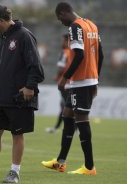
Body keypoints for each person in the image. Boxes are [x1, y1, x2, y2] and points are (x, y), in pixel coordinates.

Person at [0, 4, 44, 183]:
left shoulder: (24, 36)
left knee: (17, 134)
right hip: (1, 96)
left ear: (1, 21)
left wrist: (30, 87)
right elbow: (0, 69)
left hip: (20, 96)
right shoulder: (1, 39)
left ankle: (14, 172)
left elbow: (36, 67)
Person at [41, 2, 103, 175]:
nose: (60, 21)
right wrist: (96, 78)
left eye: (59, 17)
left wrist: (64, 78)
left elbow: (79, 55)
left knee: (82, 120)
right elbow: (101, 54)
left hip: (81, 81)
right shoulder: (91, 25)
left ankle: (89, 167)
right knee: (67, 114)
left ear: (64, 12)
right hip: (86, 80)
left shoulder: (75, 27)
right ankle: (60, 162)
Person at [45, 34, 74, 133]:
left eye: (63, 41)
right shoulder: (75, 52)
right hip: (74, 83)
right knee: (66, 105)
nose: (62, 43)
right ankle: (59, 128)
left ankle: (72, 129)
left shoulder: (64, 52)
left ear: (67, 41)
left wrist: (57, 77)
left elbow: (61, 68)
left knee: (66, 107)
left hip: (65, 84)